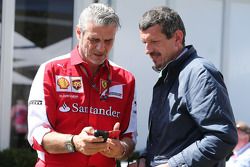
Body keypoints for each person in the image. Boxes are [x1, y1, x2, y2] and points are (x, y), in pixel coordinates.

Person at [27, 3, 137, 167]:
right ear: (79, 33)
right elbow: (37, 134)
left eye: (108, 41)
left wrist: (120, 149)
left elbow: (130, 137)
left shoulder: (126, 79)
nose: (101, 48)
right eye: (94, 40)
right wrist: (74, 142)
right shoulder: (50, 70)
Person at [134, 6, 238, 167]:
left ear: (177, 37)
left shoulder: (199, 73)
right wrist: (145, 159)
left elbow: (222, 137)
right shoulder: (169, 74)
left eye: (154, 41)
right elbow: (166, 140)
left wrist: (173, 165)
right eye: (144, 42)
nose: (147, 50)